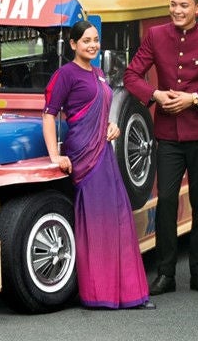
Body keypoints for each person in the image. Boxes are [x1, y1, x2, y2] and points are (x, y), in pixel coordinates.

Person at [124, 0, 198, 296]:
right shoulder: (156, 35)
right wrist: (154, 93)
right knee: (167, 202)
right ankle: (166, 274)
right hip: (168, 134)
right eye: (173, 4)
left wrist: (194, 99)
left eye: (184, 5)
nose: (177, 10)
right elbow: (132, 75)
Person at [43, 20, 155, 310]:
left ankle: (128, 293)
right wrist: (55, 155)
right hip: (84, 155)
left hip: (103, 151)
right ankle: (100, 293)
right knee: (97, 222)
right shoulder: (65, 75)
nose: (92, 45)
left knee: (118, 219)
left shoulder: (99, 72)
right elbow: (49, 115)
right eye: (86, 41)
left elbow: (102, 108)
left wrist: (112, 124)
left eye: (95, 40)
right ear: (72, 45)